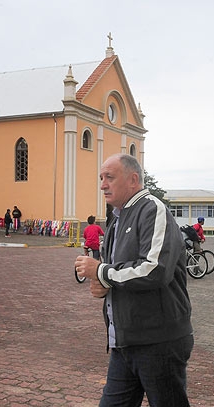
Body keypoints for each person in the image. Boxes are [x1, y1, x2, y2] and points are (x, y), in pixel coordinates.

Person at [74, 153, 193, 407]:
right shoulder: (116, 217)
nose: (103, 184)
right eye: (101, 178)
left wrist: (101, 272)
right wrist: (102, 284)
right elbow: (117, 270)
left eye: (109, 177)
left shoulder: (152, 209)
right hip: (124, 342)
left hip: (158, 342)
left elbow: (153, 270)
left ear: (133, 179)